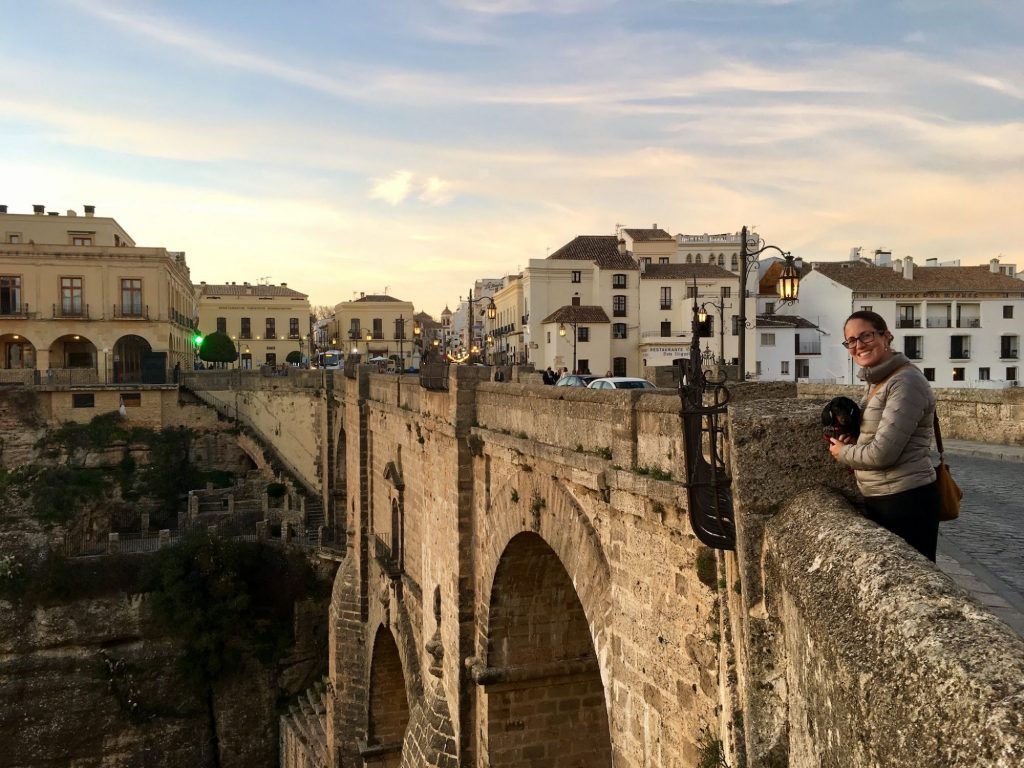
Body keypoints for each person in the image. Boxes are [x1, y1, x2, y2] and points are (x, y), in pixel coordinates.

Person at [828, 311, 939, 560]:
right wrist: (857, 443)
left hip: (905, 499)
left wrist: (842, 453)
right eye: (851, 341)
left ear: (886, 336)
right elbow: (880, 437)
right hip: (885, 495)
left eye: (866, 336)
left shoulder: (905, 382)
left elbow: (882, 454)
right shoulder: (879, 380)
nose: (858, 345)